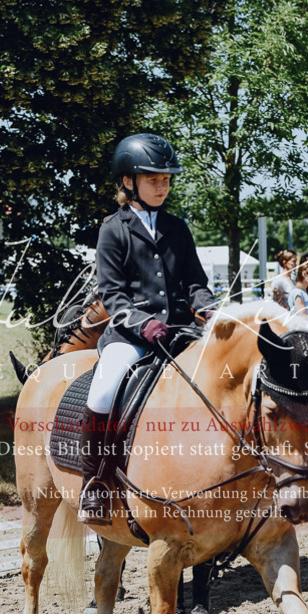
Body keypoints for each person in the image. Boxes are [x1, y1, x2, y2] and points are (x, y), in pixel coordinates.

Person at [79, 133, 215, 523]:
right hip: (129, 338)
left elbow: (195, 284)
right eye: (154, 178)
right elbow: (113, 295)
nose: (162, 186)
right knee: (104, 391)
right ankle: (97, 483)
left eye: (167, 179)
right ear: (127, 182)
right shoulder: (113, 229)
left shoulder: (178, 228)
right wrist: (145, 324)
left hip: (180, 333)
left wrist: (210, 311)